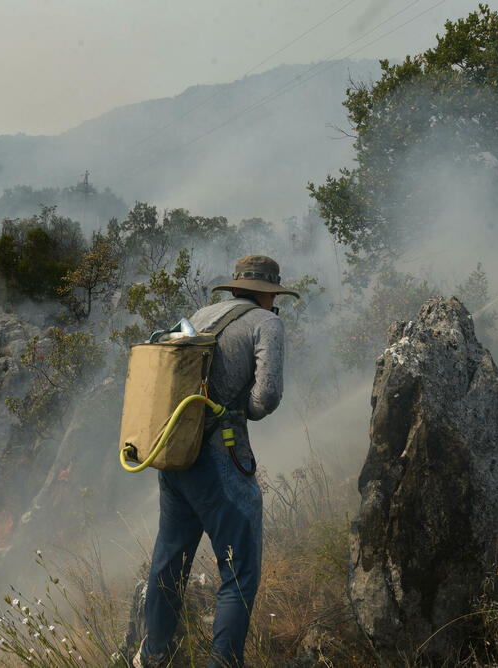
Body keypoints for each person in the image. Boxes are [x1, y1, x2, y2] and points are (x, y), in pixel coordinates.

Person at [135, 255, 299, 668]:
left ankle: (154, 656)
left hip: (174, 453)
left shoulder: (203, 314)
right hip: (220, 459)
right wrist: (241, 411)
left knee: (170, 560)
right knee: (239, 570)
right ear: (269, 294)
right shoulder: (267, 324)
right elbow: (268, 396)